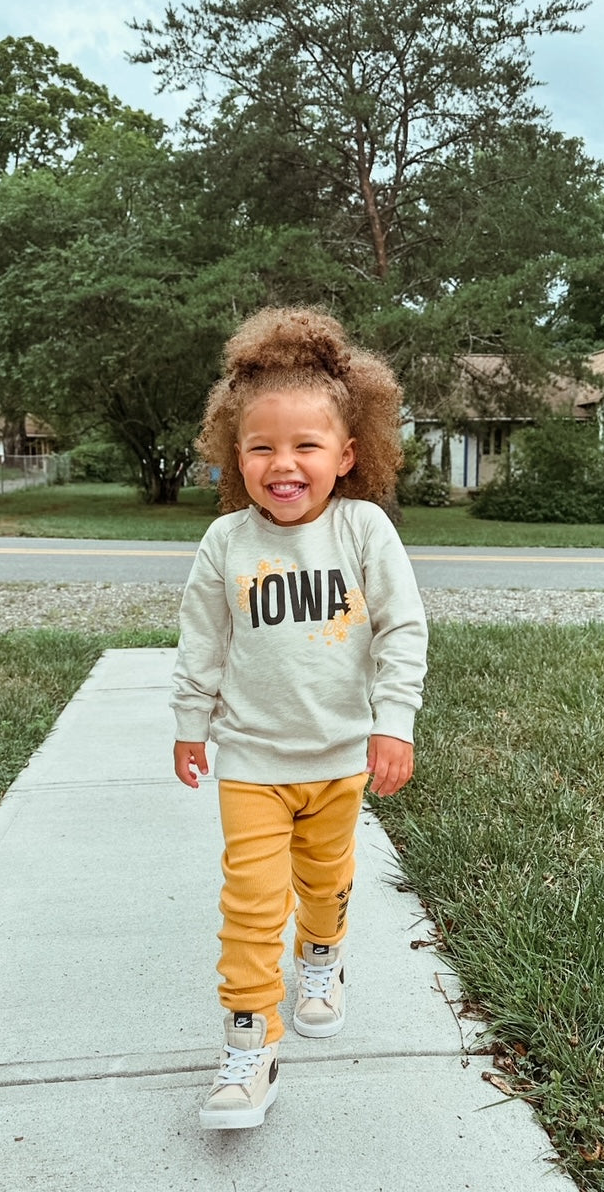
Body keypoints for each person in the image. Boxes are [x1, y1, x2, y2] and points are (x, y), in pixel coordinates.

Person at [171, 307, 427, 1130]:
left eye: (306, 446)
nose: (284, 464)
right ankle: (250, 1042)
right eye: (261, 446)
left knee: (324, 886)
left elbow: (401, 630)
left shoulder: (363, 530)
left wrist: (396, 722)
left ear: (347, 455)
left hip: (342, 755)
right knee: (249, 900)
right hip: (251, 758)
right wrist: (189, 722)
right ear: (233, 453)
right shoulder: (225, 543)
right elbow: (202, 640)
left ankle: (322, 957)